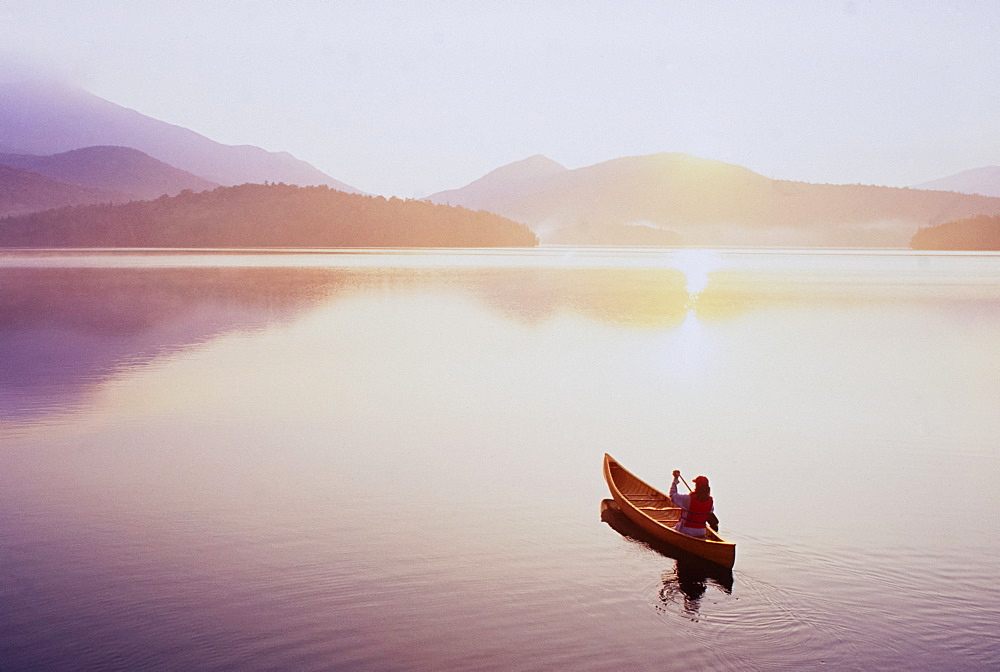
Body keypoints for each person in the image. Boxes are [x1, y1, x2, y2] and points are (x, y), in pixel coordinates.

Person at [669, 470, 716, 538]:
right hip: (701, 532)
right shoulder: (710, 501)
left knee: (672, 529)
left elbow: (672, 496)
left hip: (686, 531)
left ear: (697, 486)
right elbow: (710, 511)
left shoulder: (688, 499)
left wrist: (675, 480)